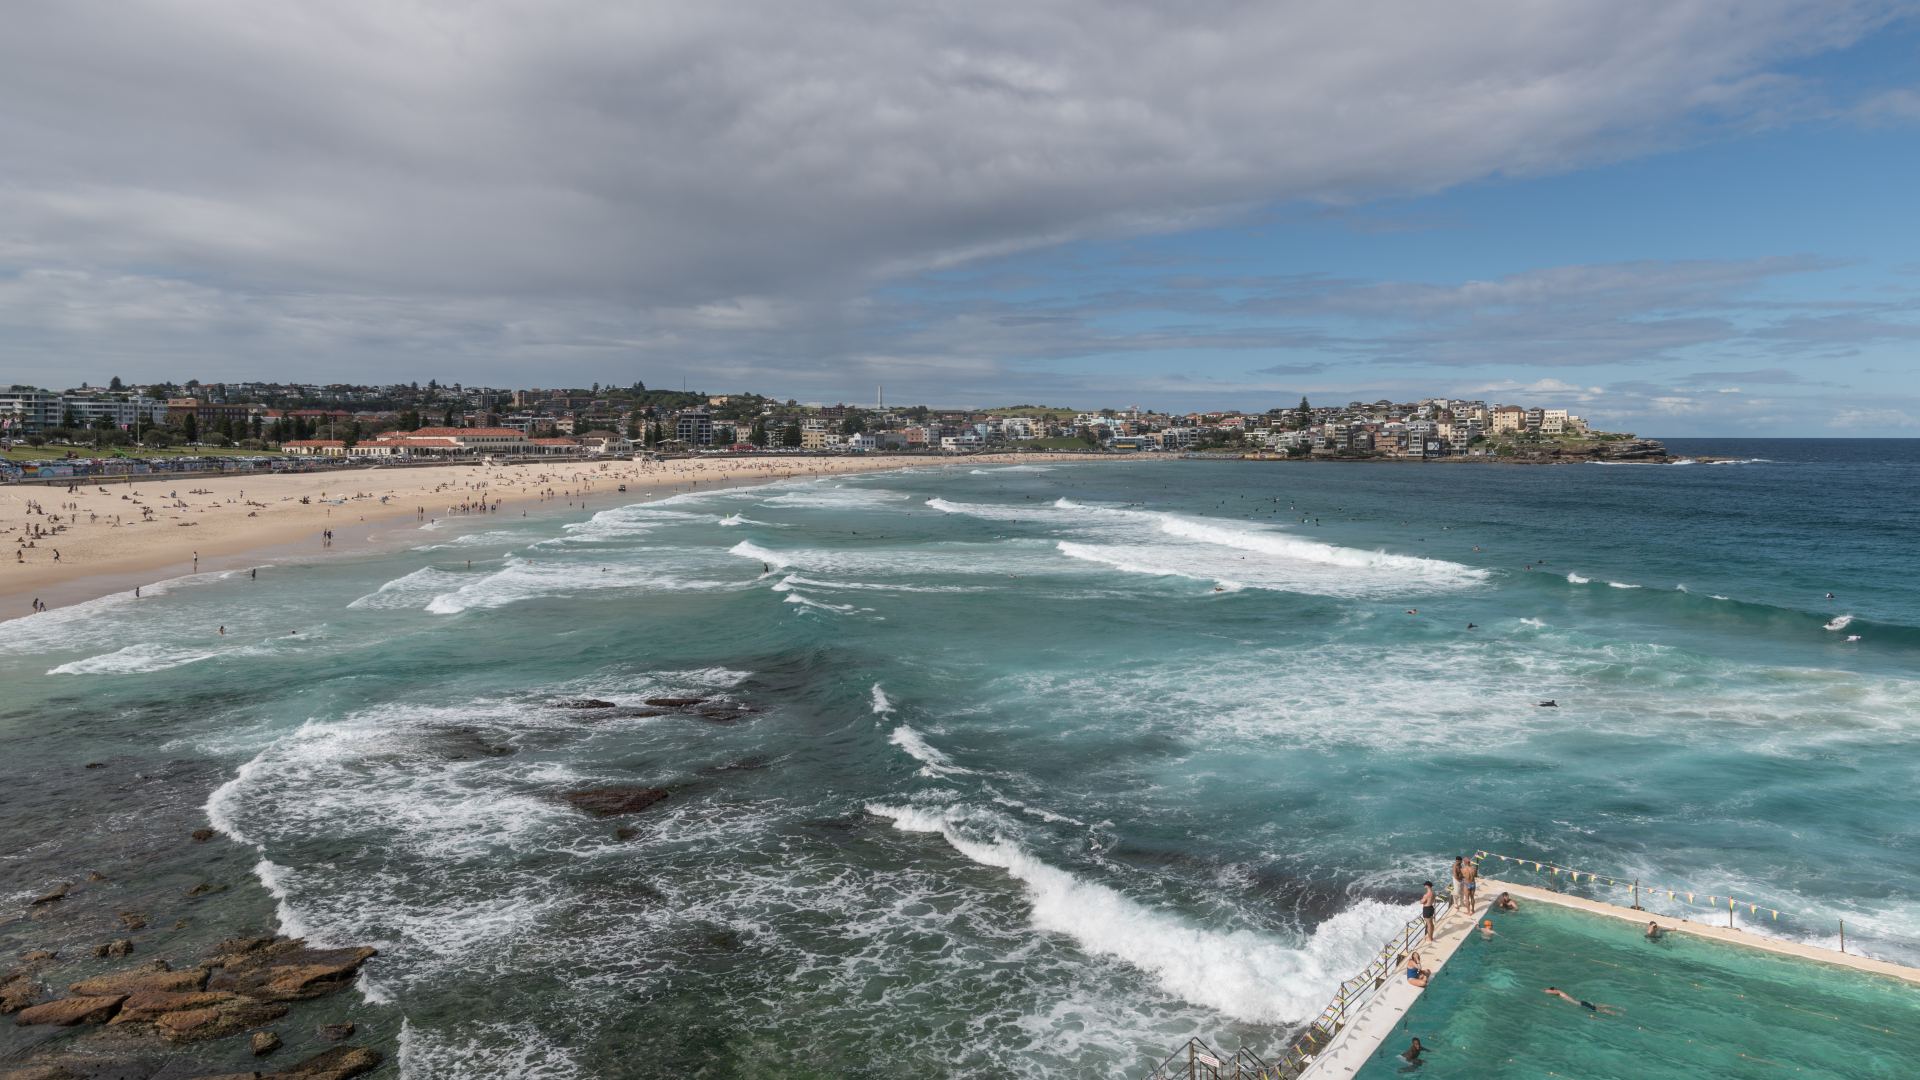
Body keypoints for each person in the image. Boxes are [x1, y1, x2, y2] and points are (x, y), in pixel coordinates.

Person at [1545, 987, 1616, 1015]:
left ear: (1553, 990)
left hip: (1581, 1004)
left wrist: (1546, 991)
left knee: (1598, 1009)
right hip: (1581, 1002)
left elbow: (1555, 992)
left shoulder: (1559, 992)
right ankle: (1615, 1007)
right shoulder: (1561, 993)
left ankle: (1614, 1013)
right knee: (1596, 1005)